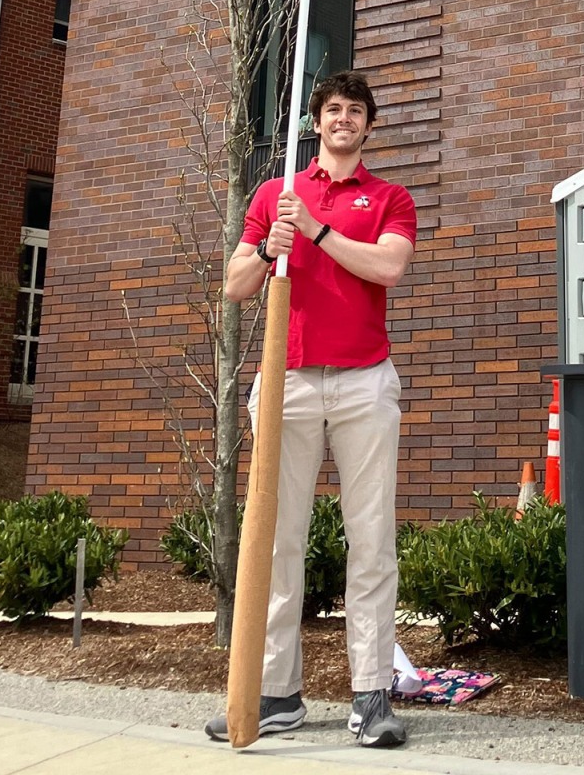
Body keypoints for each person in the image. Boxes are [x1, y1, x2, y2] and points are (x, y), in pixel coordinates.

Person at [206, 70, 417, 749]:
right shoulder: (275, 194)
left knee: (371, 541)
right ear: (315, 122)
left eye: (355, 112)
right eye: (332, 110)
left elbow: (386, 268)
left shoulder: (389, 198)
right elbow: (234, 287)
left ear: (368, 126)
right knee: (275, 538)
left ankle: (370, 696)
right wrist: (270, 247)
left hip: (363, 384)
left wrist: (319, 234)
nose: (342, 120)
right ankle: (274, 693)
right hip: (286, 382)